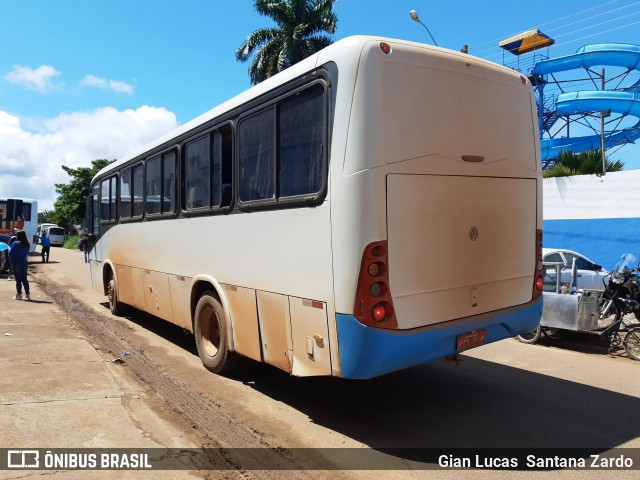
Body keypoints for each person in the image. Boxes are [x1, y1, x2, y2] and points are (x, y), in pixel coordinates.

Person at [8, 230, 30, 300]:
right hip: (24, 263)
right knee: (24, 279)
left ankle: (19, 295)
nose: (16, 236)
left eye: (17, 235)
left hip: (16, 263)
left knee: (18, 280)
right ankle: (27, 295)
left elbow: (10, 254)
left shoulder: (15, 243)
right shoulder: (27, 244)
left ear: (19, 236)